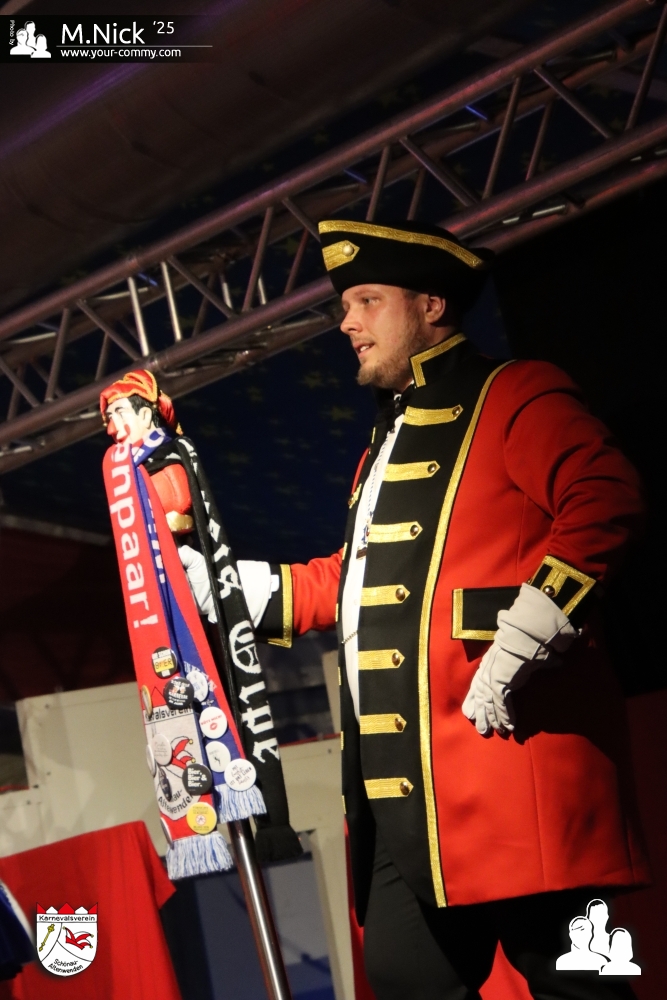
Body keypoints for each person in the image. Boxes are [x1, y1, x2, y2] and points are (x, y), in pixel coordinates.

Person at [183, 218, 649, 999]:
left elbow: (604, 498)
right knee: (404, 979)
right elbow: (349, 584)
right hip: (407, 799)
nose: (346, 322)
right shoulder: (382, 443)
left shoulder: (514, 391)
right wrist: (210, 583)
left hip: (511, 771)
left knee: (578, 989)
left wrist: (524, 635)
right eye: (345, 305)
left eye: (366, 299)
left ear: (431, 304)